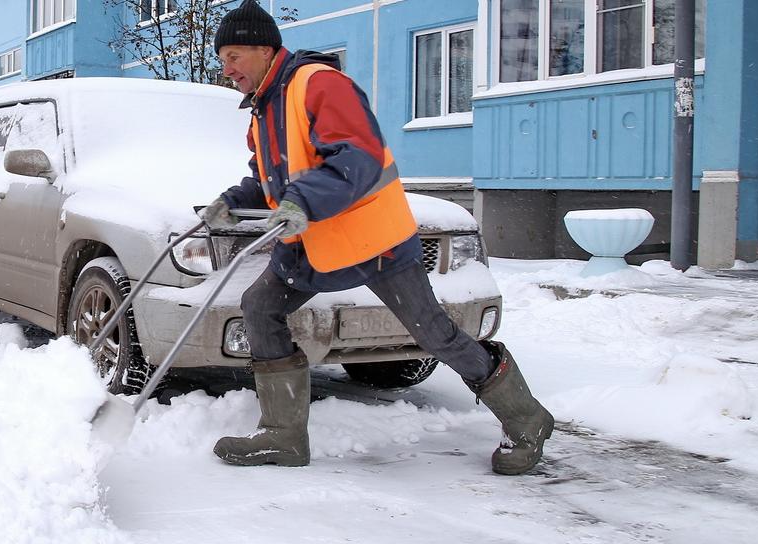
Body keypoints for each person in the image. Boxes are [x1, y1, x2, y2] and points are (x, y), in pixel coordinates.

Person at [201, 0, 553, 475]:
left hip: (374, 241)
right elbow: (270, 179)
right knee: (261, 306)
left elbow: (357, 157)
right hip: (313, 242)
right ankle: (282, 435)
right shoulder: (265, 108)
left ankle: (527, 418)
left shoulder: (320, 85)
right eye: (223, 60)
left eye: (233, 57)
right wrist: (230, 202)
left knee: (435, 334)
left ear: (264, 50)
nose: (227, 70)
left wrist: (300, 200)